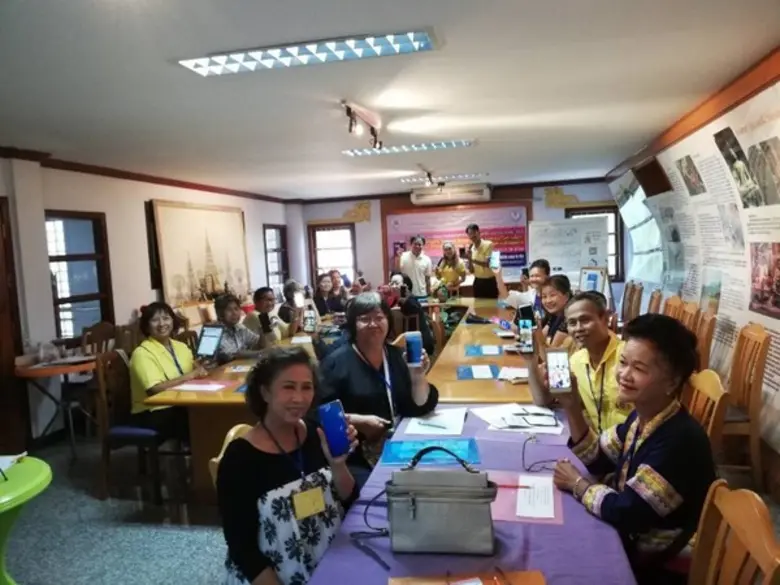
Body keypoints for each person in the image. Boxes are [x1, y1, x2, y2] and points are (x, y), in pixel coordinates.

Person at [553, 314, 716, 585]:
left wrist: (578, 485)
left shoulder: (679, 442)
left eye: (639, 368)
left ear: (672, 381)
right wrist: (571, 404)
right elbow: (597, 457)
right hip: (632, 541)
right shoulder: (642, 417)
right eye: (623, 362)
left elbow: (627, 514)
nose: (624, 375)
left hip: (658, 564)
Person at [217, 346, 359, 585]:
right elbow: (243, 549)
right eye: (288, 387)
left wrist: (338, 464)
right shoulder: (240, 459)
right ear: (265, 392)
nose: (299, 399)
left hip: (330, 561)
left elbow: (349, 498)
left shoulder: (316, 432)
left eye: (307, 387)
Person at [318, 293, 439, 488]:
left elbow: (419, 406)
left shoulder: (398, 356)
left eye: (379, 317)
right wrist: (357, 421)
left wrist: (417, 375)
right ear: (352, 324)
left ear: (388, 321)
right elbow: (319, 414)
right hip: (355, 456)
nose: (373, 324)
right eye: (364, 319)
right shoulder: (335, 364)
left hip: (399, 445)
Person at [129, 302, 207, 441]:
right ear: (146, 326)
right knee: (199, 418)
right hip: (152, 411)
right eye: (155, 320)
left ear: (173, 321)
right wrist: (191, 375)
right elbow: (154, 389)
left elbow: (192, 370)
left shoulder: (181, 347)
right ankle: (200, 452)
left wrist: (201, 368)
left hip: (179, 405)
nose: (161, 324)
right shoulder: (141, 353)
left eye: (166, 318)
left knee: (208, 411)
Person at [385, 272, 435, 356]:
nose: (393, 286)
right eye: (391, 283)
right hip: (403, 343)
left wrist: (403, 299)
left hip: (419, 345)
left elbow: (412, 308)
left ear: (405, 286)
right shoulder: (393, 301)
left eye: (396, 283)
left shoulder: (411, 301)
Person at [216, 293, 266, 361]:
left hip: (241, 365)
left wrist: (263, 327)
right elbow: (235, 354)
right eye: (229, 310)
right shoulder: (216, 332)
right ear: (219, 314)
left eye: (236, 309)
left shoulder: (239, 327)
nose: (234, 313)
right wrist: (264, 352)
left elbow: (258, 343)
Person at [465, 223, 498, 298]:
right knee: (478, 304)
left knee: (491, 304)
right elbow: (471, 271)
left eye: (474, 233)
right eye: (469, 234)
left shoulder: (489, 244)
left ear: (479, 232)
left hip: (490, 282)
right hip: (477, 281)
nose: (472, 236)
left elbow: (489, 264)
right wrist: (469, 259)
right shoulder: (471, 248)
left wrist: (472, 260)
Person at [540, 275, 573, 348]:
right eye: (544, 296)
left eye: (552, 295)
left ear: (566, 296)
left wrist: (536, 331)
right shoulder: (554, 316)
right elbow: (540, 339)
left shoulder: (569, 319)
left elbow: (552, 350)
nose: (548, 301)